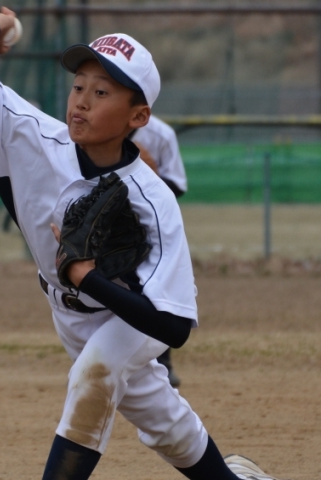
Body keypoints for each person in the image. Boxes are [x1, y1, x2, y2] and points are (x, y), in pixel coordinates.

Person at [0, 7, 283, 480]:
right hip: (66, 312)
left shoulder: (152, 199)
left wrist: (88, 277)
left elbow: (174, 327)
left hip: (129, 315)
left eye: (101, 93)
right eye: (78, 86)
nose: (81, 102)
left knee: (92, 375)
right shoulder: (30, 132)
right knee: (163, 421)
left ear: (138, 116)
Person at [130, 115, 188, 387]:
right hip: (107, 221)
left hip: (150, 225)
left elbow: (178, 184)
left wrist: (147, 179)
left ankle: (162, 362)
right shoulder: (90, 126)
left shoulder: (161, 134)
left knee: (156, 290)